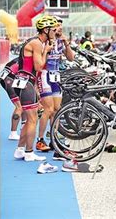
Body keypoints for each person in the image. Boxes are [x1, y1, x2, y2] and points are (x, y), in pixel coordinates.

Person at [12, 15, 58, 162]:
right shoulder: (37, 43)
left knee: (30, 118)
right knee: (32, 120)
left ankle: (20, 150)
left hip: (24, 81)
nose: (55, 32)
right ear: (46, 30)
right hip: (27, 82)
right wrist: (46, 51)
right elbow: (38, 67)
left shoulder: (35, 41)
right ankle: (29, 152)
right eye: (53, 29)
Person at [36, 16, 75, 153]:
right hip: (45, 75)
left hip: (56, 75)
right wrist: (47, 49)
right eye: (56, 27)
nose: (58, 29)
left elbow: (71, 58)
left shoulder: (60, 41)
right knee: (48, 109)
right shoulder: (43, 42)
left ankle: (54, 138)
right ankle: (40, 139)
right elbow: (39, 62)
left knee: (57, 109)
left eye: (60, 26)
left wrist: (67, 43)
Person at [0, 57, 26, 140]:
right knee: (19, 106)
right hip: (9, 78)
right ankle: (13, 133)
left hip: (9, 76)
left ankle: (23, 128)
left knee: (24, 102)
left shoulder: (24, 55)